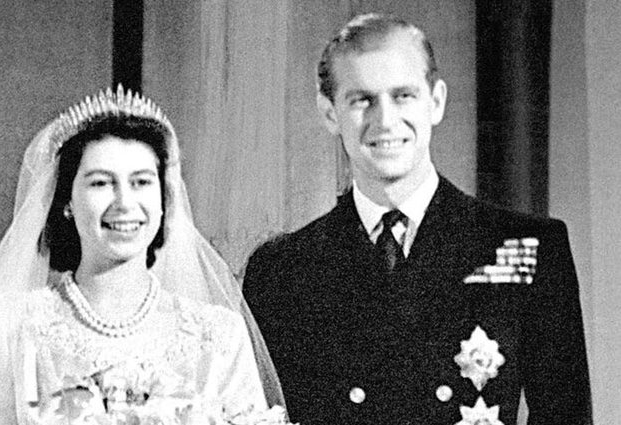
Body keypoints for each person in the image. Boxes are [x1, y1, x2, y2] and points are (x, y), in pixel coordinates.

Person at [243, 13, 592, 425]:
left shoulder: (526, 249)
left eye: (403, 95)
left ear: (437, 101)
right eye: (361, 99)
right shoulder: (282, 270)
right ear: (329, 113)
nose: (385, 120)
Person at [0, 86, 290, 424]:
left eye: (141, 182)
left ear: (164, 199)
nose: (124, 203)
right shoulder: (12, 327)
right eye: (101, 183)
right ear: (66, 199)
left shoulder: (218, 334)